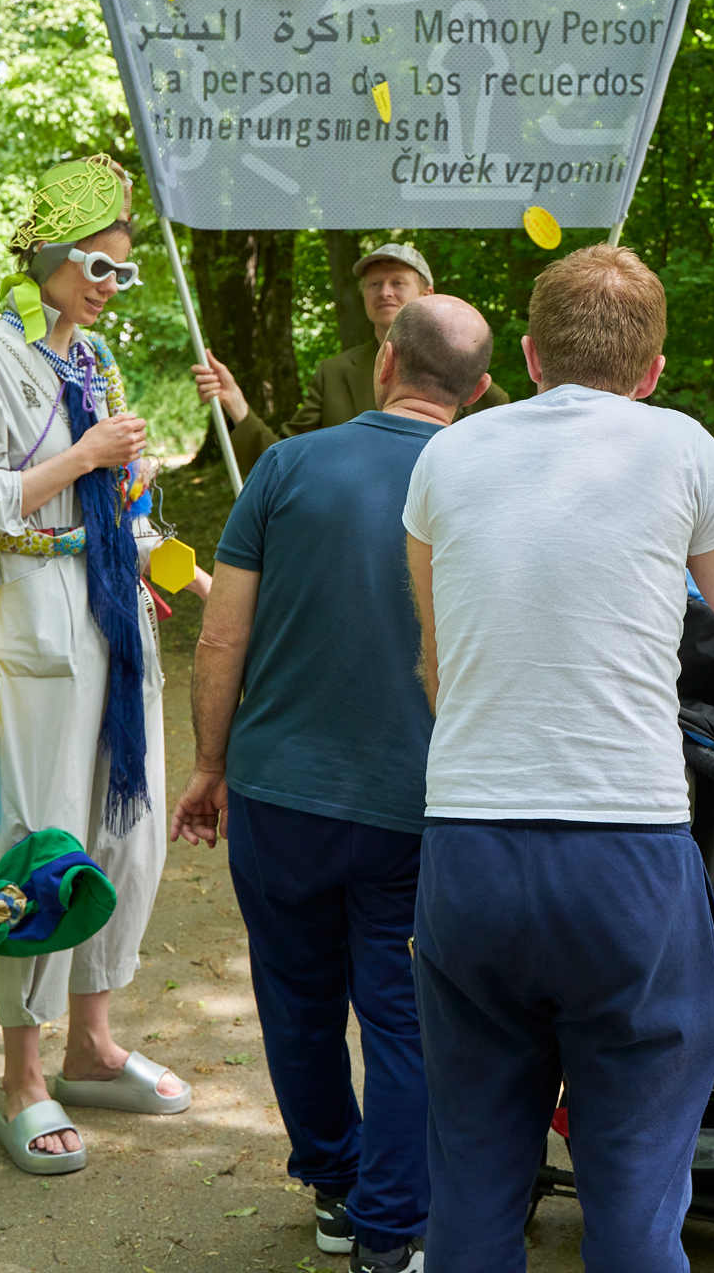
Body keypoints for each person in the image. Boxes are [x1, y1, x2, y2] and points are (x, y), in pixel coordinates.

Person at [402, 244, 714, 1273]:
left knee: (472, 1187)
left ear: (530, 356)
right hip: (625, 857)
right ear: (653, 370)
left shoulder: (446, 456)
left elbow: (437, 659)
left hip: (470, 849)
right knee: (632, 1205)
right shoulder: (682, 449)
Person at [169, 295, 495, 1273]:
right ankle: (390, 1234)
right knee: (405, 1017)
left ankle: (335, 1188)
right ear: (480, 390)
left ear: (386, 361)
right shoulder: (485, 480)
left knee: (297, 1002)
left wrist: (210, 766)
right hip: (417, 803)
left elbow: (220, 636)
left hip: (280, 793)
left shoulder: (286, 465)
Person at [0, 154, 206, 1176]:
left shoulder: (93, 361)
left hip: (115, 611)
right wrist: (86, 458)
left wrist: (184, 565)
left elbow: (119, 510)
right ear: (46, 255)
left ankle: (91, 1045)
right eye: (97, 265)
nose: (109, 285)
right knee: (43, 836)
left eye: (123, 271)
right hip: (37, 614)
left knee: (128, 831)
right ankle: (23, 1075)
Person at [192, 242, 509, 475]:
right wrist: (236, 405)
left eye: (398, 282)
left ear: (427, 294)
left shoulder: (472, 381)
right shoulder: (333, 374)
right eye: (374, 284)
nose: (384, 292)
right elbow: (281, 463)